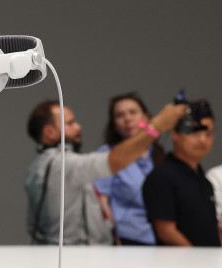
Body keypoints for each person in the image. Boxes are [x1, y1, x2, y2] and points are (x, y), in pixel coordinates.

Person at [25, 99, 185, 244]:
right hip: (74, 253)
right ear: (49, 132)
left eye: (133, 112)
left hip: (83, 252)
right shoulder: (61, 164)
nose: (78, 127)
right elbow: (114, 161)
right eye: (70, 123)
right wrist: (158, 125)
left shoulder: (47, 164)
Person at [142, 101, 219, 246]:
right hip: (181, 259)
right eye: (194, 131)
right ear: (175, 133)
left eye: (208, 133)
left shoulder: (204, 181)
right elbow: (166, 232)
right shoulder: (162, 177)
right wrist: (197, 257)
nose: (202, 139)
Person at [93, 93, 165, 245]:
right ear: (114, 124)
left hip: (163, 237)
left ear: (146, 117)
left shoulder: (159, 154)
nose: (128, 119)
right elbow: (102, 203)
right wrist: (113, 238)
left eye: (133, 112)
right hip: (129, 238)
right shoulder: (108, 155)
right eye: (120, 115)